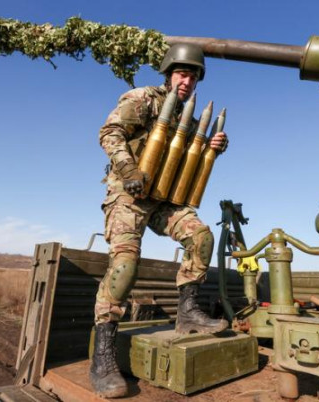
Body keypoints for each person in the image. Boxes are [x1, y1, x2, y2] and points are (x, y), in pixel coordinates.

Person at [89, 43, 230, 398]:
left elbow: (186, 162)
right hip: (128, 196)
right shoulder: (143, 99)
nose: (187, 82)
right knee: (124, 267)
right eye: (182, 74)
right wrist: (128, 169)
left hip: (163, 202)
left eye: (193, 77)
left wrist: (213, 147)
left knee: (201, 236)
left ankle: (188, 313)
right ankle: (103, 357)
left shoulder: (190, 121)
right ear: (168, 74)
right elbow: (109, 132)